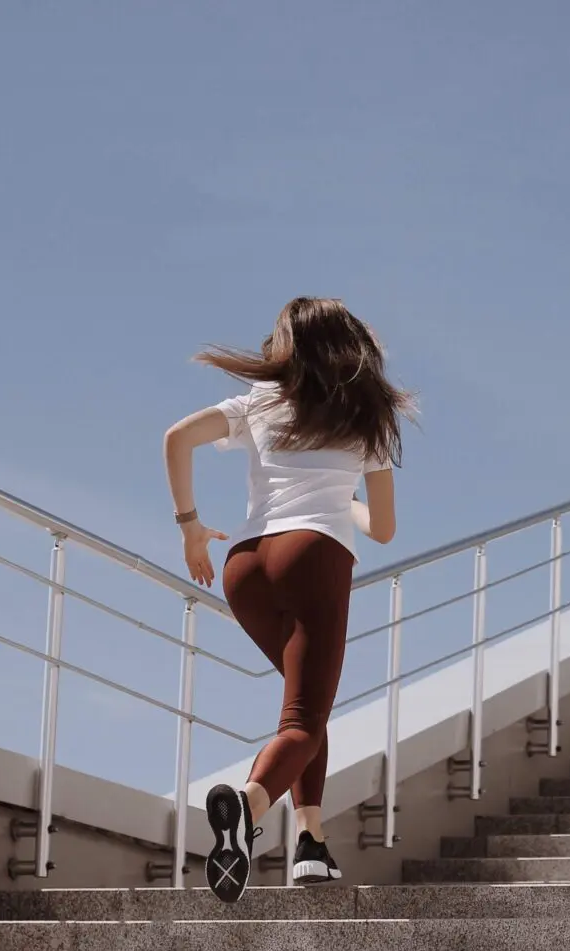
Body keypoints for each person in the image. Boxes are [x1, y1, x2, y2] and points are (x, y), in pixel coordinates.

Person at [164, 296, 412, 903]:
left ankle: (310, 843)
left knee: (304, 709)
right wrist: (343, 499)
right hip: (314, 558)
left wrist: (191, 526)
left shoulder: (259, 403)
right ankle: (245, 811)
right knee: (304, 719)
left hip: (245, 566)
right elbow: (382, 529)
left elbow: (176, 439)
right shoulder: (367, 415)